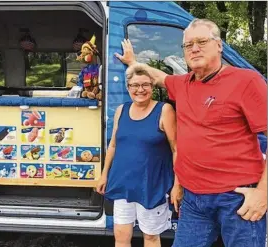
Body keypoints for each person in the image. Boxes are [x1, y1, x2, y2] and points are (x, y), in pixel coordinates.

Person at [114, 18, 267, 247]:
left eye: (202, 41)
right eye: (188, 45)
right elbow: (158, 77)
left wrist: (263, 193)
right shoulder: (183, 84)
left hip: (237, 198)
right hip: (194, 200)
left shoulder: (246, 81)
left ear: (219, 45)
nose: (194, 48)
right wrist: (134, 62)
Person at [96, 63, 183, 247]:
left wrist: (177, 185)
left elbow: (177, 149)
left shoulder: (164, 110)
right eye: (135, 85)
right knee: (121, 235)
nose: (140, 90)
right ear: (128, 88)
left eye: (145, 85)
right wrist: (104, 175)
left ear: (152, 86)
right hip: (123, 183)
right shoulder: (121, 110)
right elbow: (113, 145)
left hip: (151, 185)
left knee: (150, 236)